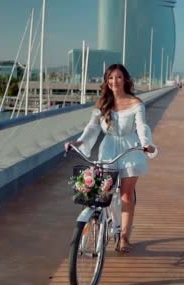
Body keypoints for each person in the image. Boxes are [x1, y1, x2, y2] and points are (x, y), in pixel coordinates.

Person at [65, 64, 157, 253]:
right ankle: (106, 222)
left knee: (125, 195)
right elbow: (92, 127)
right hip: (108, 148)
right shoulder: (103, 103)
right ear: (107, 81)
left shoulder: (136, 103)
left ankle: (123, 237)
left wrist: (146, 143)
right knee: (103, 192)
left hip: (130, 149)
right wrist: (79, 142)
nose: (114, 81)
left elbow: (141, 126)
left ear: (126, 80)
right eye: (110, 78)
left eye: (119, 77)